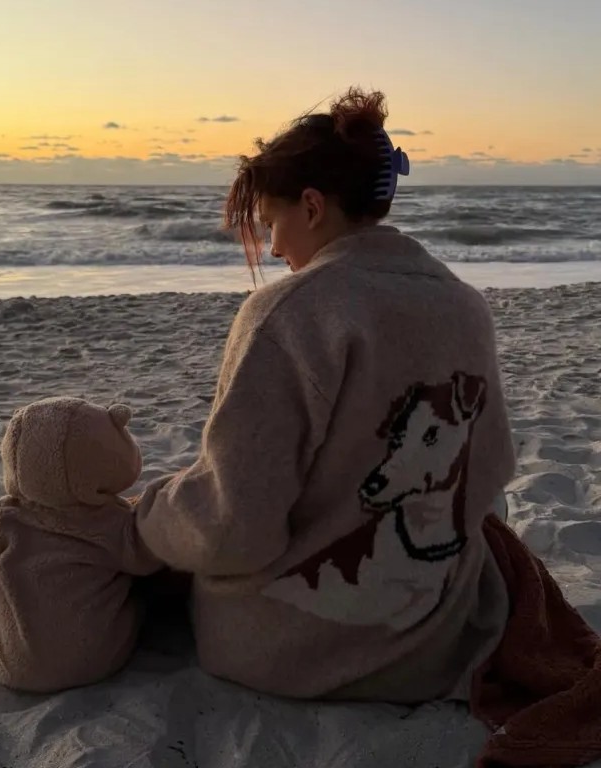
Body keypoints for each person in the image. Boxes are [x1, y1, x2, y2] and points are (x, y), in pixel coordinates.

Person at [134, 86, 516, 703]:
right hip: (433, 640)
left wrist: (146, 517)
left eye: (271, 224)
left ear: (311, 206)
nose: (275, 248)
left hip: (295, 650)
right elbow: (491, 469)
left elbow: (237, 527)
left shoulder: (290, 312)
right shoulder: (466, 305)